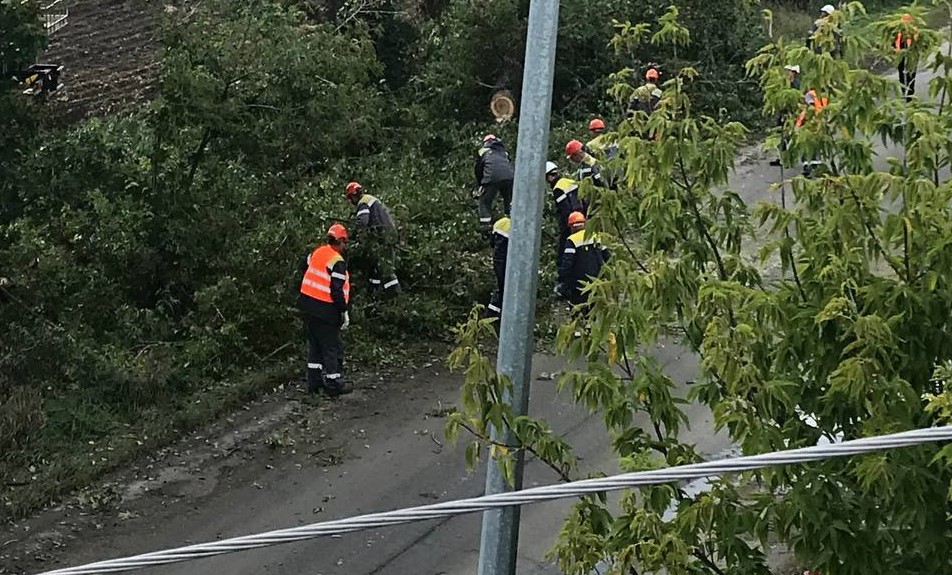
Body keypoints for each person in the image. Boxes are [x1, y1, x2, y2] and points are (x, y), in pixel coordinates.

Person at [296, 223, 353, 397]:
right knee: (331, 347)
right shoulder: (337, 261)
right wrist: (343, 312)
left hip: (307, 305)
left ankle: (314, 384)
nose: (345, 247)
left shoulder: (318, 252)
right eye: (345, 243)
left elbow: (303, 265)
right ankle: (334, 383)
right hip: (325, 309)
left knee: (315, 346)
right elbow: (336, 290)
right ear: (341, 241)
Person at [344, 181, 400, 298]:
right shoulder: (371, 200)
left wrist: (352, 237)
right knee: (376, 268)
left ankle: (394, 297)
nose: (351, 202)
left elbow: (362, 223)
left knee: (386, 269)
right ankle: (378, 296)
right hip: (387, 236)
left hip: (382, 239)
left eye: (350, 198)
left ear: (353, 195)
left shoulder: (363, 203)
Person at [555, 211, 610, 320]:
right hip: (597, 280)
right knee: (593, 310)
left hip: (578, 283)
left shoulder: (572, 241)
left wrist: (562, 281)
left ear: (571, 226)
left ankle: (578, 332)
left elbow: (567, 263)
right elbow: (607, 256)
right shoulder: (596, 236)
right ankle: (591, 329)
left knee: (577, 311)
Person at [545, 161, 586, 267]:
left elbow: (565, 209)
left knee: (565, 247)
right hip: (582, 217)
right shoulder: (570, 181)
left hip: (572, 221)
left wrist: (567, 226)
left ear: (549, 177)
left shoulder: (558, 189)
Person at [474, 134, 515, 227]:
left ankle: (486, 227)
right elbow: (508, 165)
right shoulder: (504, 152)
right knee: (509, 200)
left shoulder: (483, 151)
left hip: (491, 178)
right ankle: (510, 223)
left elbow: (478, 168)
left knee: (484, 202)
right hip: (509, 178)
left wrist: (480, 183)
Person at [769, 64, 802, 167]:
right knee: (781, 135)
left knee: (789, 136)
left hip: (791, 113)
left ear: (794, 73)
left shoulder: (797, 84)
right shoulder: (785, 84)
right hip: (783, 112)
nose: (787, 73)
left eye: (789, 71)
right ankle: (782, 158)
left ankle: (789, 158)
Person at [796, 88, 830, 177]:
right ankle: (815, 166)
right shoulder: (823, 97)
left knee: (808, 147)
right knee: (816, 147)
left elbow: (803, 116)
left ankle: (809, 167)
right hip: (819, 126)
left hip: (810, 127)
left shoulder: (811, 98)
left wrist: (798, 126)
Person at [486, 215, 510, 320]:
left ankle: (493, 315)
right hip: (506, 262)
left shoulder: (500, 222)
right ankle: (494, 316)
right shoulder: (517, 227)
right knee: (504, 288)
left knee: (500, 286)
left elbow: (491, 242)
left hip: (497, 260)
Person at [895, 13, 919, 102]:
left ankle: (910, 94)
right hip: (901, 54)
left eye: (907, 19)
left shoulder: (913, 30)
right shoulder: (899, 31)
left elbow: (915, 41)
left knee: (911, 73)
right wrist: (898, 50)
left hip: (912, 54)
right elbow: (897, 42)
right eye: (904, 19)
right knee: (901, 72)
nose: (905, 21)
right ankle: (904, 91)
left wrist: (914, 33)